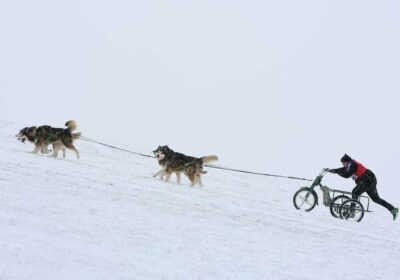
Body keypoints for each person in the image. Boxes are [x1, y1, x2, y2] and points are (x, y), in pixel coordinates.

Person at [328, 154, 398, 221]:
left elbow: (347, 175)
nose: (343, 164)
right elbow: (340, 169)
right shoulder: (349, 166)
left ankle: (352, 211)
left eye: (343, 163)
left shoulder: (352, 164)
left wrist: (337, 172)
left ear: (347, 161)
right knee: (376, 199)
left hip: (368, 179)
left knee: (355, 192)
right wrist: (331, 170)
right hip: (367, 180)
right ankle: (393, 209)